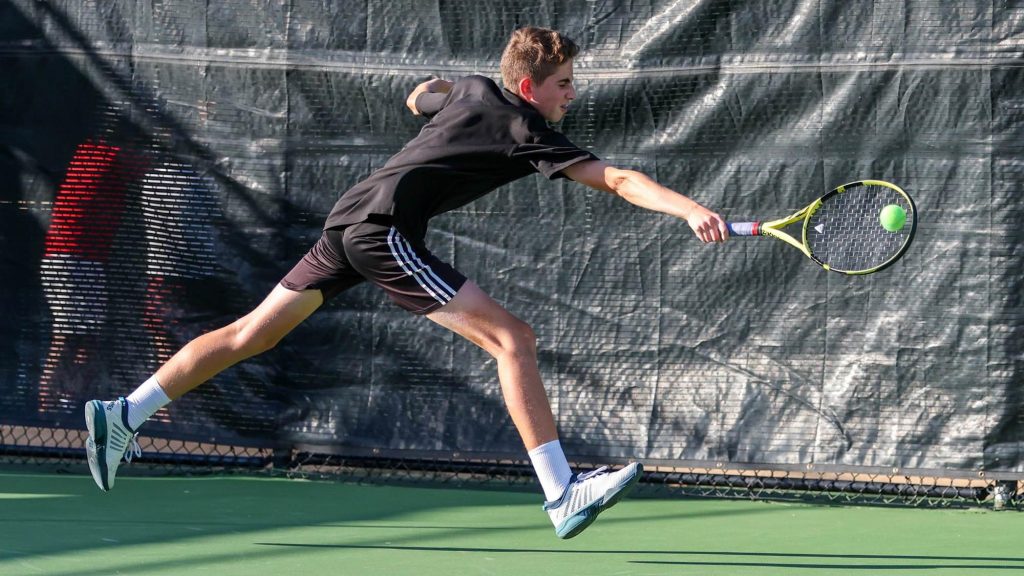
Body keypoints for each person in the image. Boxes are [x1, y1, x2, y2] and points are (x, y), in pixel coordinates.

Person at [84, 26, 728, 539]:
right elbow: (617, 179)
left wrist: (437, 96)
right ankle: (562, 493)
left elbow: (419, 96)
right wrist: (691, 209)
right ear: (529, 86)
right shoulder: (526, 128)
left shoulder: (476, 88)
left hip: (348, 219)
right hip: (383, 228)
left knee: (249, 335)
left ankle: (123, 414)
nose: (572, 95)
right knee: (514, 340)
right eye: (563, 84)